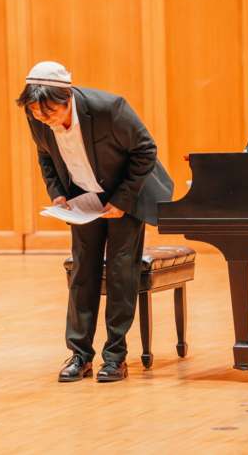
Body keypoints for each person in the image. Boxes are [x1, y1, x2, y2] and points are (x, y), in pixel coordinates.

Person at [17, 61, 173, 382]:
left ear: (68, 97)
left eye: (51, 114)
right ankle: (79, 355)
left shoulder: (109, 109)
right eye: (38, 115)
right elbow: (44, 153)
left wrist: (121, 201)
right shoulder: (38, 116)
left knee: (120, 272)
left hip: (125, 195)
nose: (46, 121)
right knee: (82, 272)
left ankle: (115, 357)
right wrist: (57, 193)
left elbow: (146, 150)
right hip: (83, 198)